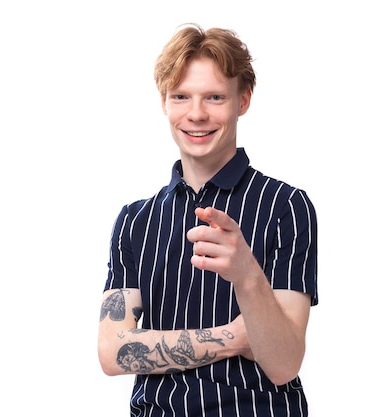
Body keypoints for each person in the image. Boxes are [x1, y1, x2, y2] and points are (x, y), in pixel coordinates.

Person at [98, 23, 318, 417]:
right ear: (164, 102)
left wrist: (248, 276)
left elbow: (284, 364)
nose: (196, 114)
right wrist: (234, 336)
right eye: (181, 96)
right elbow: (113, 352)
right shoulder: (135, 220)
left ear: (243, 100)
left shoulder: (286, 207)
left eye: (214, 97)